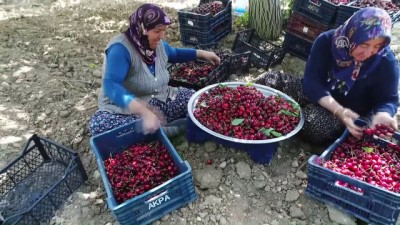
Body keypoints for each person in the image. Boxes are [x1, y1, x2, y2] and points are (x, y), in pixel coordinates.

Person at [256, 7, 399, 145]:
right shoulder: (327, 41)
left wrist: (383, 114)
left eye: (376, 46)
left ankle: (299, 116)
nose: (368, 53)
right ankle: (293, 112)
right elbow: (311, 82)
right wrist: (337, 109)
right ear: (352, 33)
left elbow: (389, 99)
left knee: (313, 126)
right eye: (364, 44)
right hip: (322, 95)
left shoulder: (386, 62)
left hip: (352, 114)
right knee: (269, 80)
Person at [89, 3, 220, 137]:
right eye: (157, 31)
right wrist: (144, 112)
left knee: (197, 100)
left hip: (159, 100)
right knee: (99, 125)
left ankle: (158, 129)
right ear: (142, 29)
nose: (161, 36)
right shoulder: (120, 49)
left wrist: (202, 53)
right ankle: (169, 130)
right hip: (125, 108)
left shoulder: (157, 45)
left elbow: (174, 54)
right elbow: (112, 87)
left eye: (163, 30)